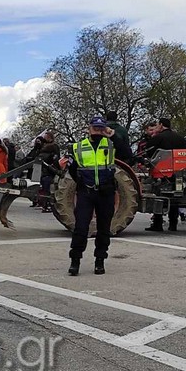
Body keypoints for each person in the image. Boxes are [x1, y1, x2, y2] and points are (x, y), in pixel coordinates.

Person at [62, 116, 118, 276]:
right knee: (80, 228)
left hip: (106, 193)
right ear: (89, 128)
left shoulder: (111, 144)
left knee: (104, 229)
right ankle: (75, 261)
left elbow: (127, 151)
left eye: (101, 128)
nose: (98, 131)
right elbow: (73, 169)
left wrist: (112, 135)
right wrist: (81, 182)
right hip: (86, 192)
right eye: (96, 128)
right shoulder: (78, 147)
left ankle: (100, 261)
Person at [145, 118, 186, 232]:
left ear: (161, 125)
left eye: (158, 124)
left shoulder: (158, 138)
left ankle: (157, 223)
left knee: (159, 196)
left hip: (161, 172)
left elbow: (148, 152)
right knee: (176, 197)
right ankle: (173, 224)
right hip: (178, 171)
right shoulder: (180, 138)